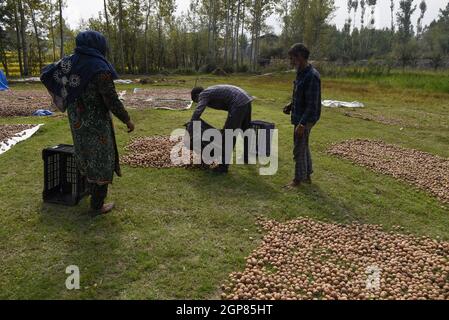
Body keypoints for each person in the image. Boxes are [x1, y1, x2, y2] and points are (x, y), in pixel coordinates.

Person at [41, 30, 135, 216]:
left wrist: (66, 97)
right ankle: (97, 205)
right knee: (101, 159)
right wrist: (127, 119)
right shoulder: (99, 66)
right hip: (96, 122)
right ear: (98, 45)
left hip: (77, 121)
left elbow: (47, 73)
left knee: (84, 153)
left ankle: (90, 191)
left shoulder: (69, 61)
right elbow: (111, 99)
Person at [190, 85, 253, 173]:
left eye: (196, 101)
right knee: (245, 130)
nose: (199, 101)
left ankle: (223, 167)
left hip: (238, 102)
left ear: (197, 95)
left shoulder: (203, 94)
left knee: (228, 136)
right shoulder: (210, 92)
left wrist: (192, 123)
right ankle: (247, 157)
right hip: (246, 99)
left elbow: (199, 109)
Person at [283, 43, 321, 189]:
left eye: (292, 58)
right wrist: (290, 105)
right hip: (299, 115)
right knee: (303, 146)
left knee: (298, 148)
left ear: (299, 57)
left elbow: (311, 105)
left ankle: (297, 180)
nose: (290, 61)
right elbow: (299, 94)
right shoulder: (300, 72)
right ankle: (307, 175)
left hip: (306, 118)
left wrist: (302, 124)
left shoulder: (312, 76)